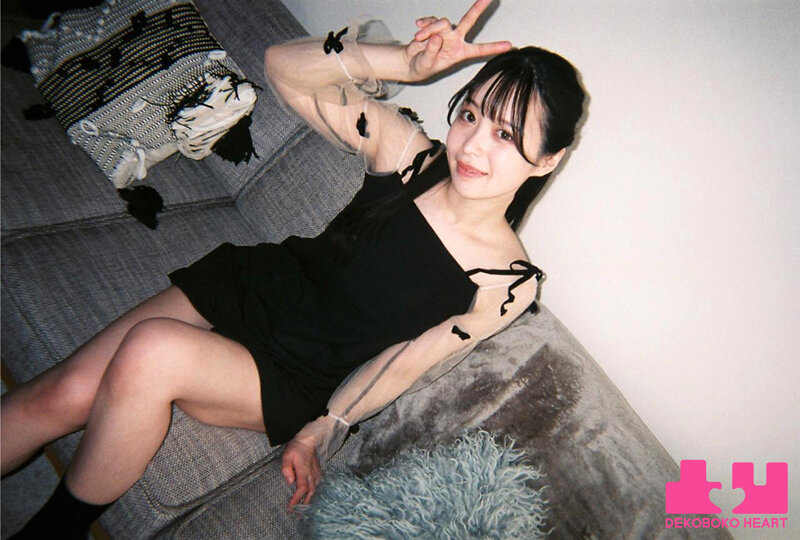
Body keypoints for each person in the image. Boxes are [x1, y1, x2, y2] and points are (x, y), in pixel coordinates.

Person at [1, 0, 585, 537]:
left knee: (152, 349)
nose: (473, 145)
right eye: (472, 114)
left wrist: (328, 425)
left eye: (505, 134)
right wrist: (403, 63)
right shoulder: (408, 155)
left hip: (296, 373)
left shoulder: (506, 281)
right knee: (60, 393)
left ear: (548, 160)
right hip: (256, 285)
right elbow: (283, 66)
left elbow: (406, 362)